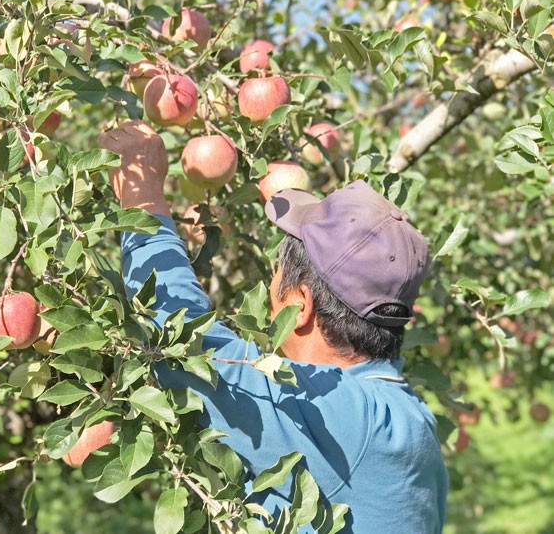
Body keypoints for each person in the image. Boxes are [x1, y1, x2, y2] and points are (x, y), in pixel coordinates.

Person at [99, 120, 448, 533]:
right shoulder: (406, 417)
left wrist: (142, 192)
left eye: (275, 270)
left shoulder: (337, 418)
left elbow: (180, 338)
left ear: (300, 306)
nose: (269, 283)